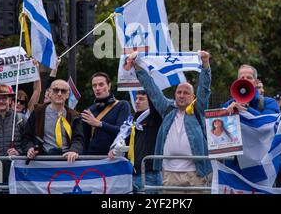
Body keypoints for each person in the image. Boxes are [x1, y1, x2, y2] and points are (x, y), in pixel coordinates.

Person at [125, 50, 212, 193]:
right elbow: (151, 88)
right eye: (179, 92)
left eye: (186, 93)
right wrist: (137, 64)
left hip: (197, 173)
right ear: (175, 94)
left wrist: (205, 64)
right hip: (169, 174)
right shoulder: (167, 109)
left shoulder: (198, 109)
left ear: (193, 97)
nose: (182, 95)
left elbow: (204, 88)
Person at [108, 90, 163, 193]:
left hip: (149, 174)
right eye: (136, 98)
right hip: (132, 173)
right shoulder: (132, 121)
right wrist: (115, 149)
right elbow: (123, 139)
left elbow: (156, 102)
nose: (137, 102)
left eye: (141, 99)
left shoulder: (155, 117)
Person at [24, 79, 84, 163]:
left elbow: (78, 139)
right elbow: (27, 137)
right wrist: (29, 148)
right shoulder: (38, 112)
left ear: (68, 94)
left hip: (67, 160)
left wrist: (74, 150)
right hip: (43, 160)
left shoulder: (75, 116)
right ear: (49, 93)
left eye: (63, 91)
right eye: (56, 90)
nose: (59, 94)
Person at [81, 72, 131, 155]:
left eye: (101, 84)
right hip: (92, 159)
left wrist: (100, 124)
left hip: (114, 158)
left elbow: (123, 132)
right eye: (94, 85)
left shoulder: (122, 105)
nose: (97, 88)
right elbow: (84, 140)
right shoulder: (89, 110)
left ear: (109, 86)